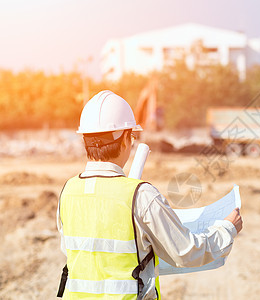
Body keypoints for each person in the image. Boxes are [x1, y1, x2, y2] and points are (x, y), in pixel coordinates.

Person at [56, 90, 243, 300]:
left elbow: (78, 253)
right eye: (132, 136)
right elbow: (185, 253)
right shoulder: (140, 196)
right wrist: (227, 229)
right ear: (126, 138)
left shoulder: (68, 191)